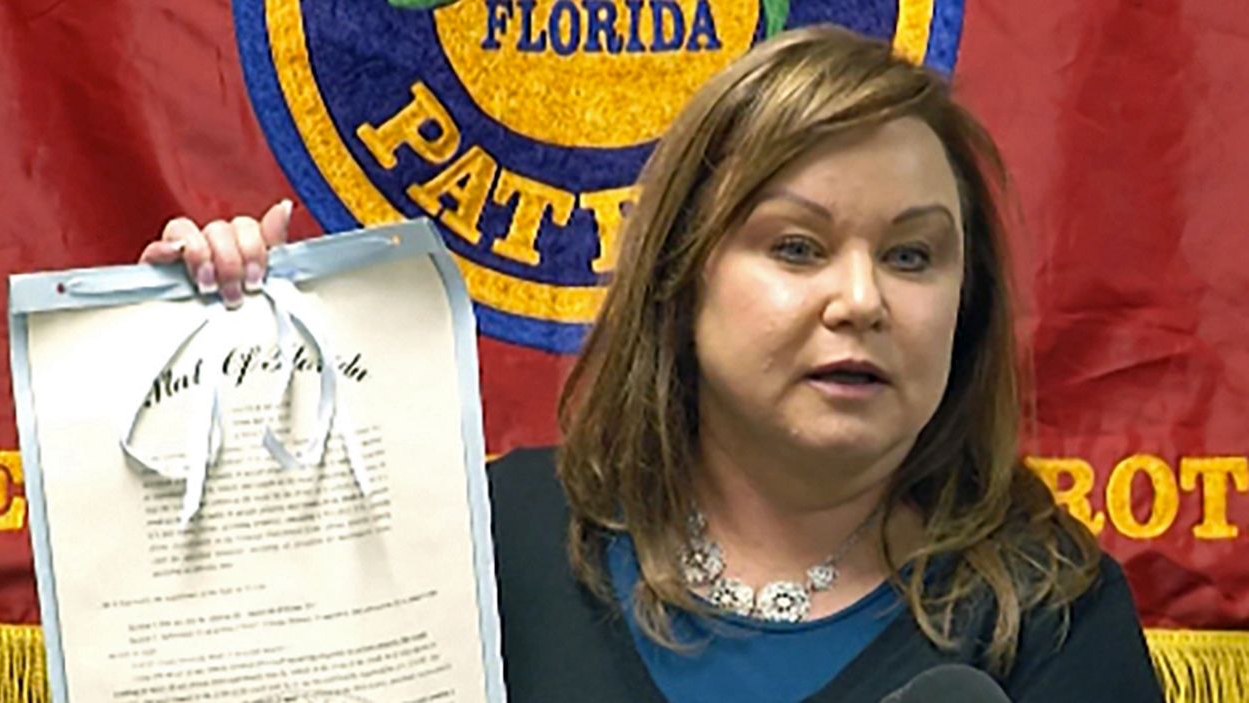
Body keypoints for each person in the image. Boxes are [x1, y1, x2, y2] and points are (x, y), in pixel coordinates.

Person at [142, 25, 1163, 703]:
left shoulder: (1047, 617)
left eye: (911, 256)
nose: (861, 299)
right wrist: (215, 367)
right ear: (681, 275)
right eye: (796, 247)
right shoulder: (499, 540)